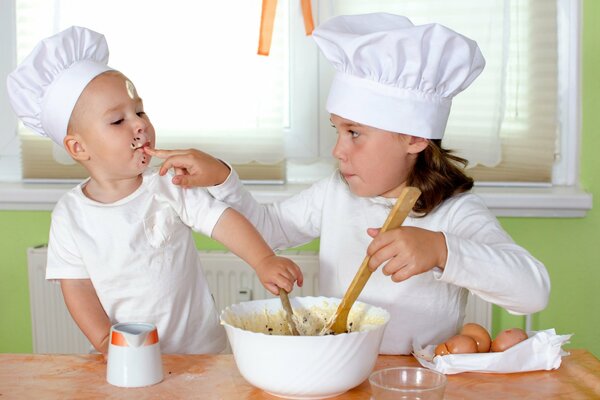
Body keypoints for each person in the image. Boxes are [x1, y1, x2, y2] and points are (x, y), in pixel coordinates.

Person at [146, 13, 551, 355]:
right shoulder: (335, 192)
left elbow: (533, 292)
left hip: (416, 383)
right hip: (340, 368)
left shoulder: (455, 212)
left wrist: (442, 250)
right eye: (337, 130)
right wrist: (221, 177)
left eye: (355, 133)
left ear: (413, 138)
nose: (338, 151)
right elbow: (267, 230)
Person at [6, 26, 303, 355]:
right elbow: (76, 286)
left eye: (140, 111)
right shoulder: (70, 215)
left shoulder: (166, 183)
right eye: (118, 121)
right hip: (131, 356)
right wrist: (106, 341)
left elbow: (223, 219)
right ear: (78, 147)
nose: (139, 124)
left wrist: (263, 259)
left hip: (201, 353)